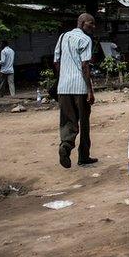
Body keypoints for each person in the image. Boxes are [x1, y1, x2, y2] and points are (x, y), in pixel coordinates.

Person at [54, 13, 98, 169]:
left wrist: (63, 78)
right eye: (90, 24)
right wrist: (90, 91)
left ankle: (65, 146)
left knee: (67, 121)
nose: (93, 27)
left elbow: (56, 61)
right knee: (84, 122)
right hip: (79, 87)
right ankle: (83, 156)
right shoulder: (86, 40)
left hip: (63, 87)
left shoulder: (63, 37)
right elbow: (85, 66)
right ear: (82, 23)